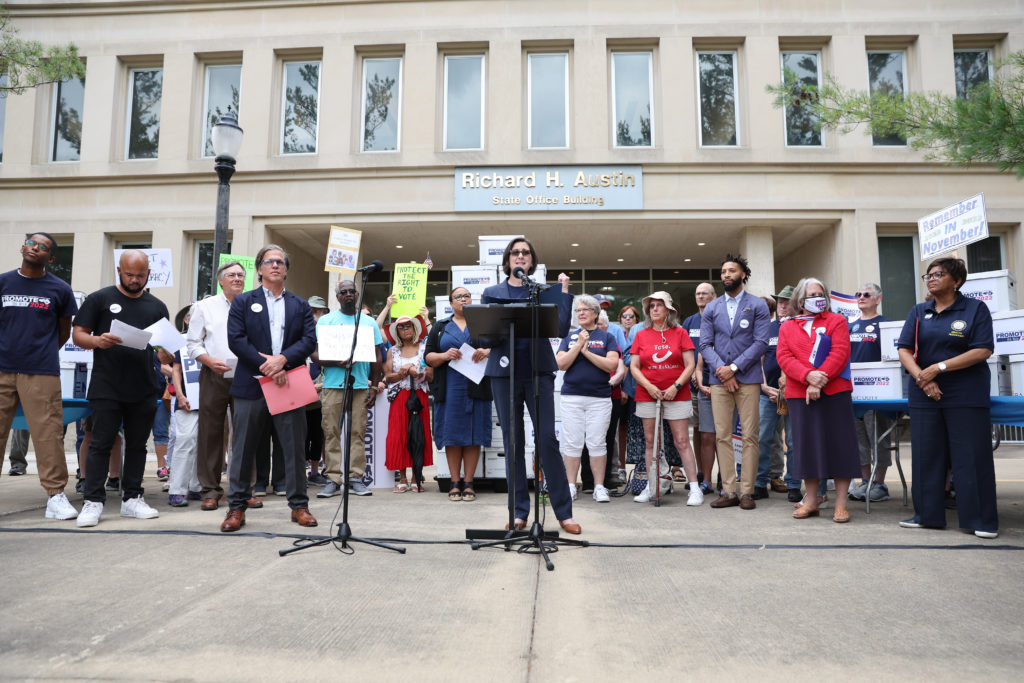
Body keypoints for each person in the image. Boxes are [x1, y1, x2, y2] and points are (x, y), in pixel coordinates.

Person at [482, 237, 581, 534]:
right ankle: (518, 512)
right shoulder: (492, 292)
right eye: (516, 252)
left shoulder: (543, 291)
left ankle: (563, 512)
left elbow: (562, 327)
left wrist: (563, 291)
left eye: (526, 253)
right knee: (514, 442)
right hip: (504, 374)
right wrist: (494, 329)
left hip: (538, 372)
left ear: (532, 260)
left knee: (547, 441)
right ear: (508, 260)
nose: (521, 256)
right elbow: (483, 337)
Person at [896, 257, 998, 538]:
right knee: (926, 454)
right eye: (928, 275)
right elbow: (904, 349)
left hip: (966, 392)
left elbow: (982, 349)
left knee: (970, 457)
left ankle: (980, 520)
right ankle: (927, 515)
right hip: (924, 392)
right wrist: (922, 377)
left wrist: (939, 368)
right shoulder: (919, 311)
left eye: (938, 274)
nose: (931, 278)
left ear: (957, 281)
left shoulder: (975, 309)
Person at [220, 244, 318, 532]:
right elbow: (236, 340)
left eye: (280, 261)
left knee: (293, 448)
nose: (275, 265)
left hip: (288, 383)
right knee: (242, 449)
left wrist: (283, 360)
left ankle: (299, 506)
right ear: (260, 268)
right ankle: (236, 508)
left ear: (286, 269)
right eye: (269, 261)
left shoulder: (299, 305)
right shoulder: (242, 301)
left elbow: (308, 341)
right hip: (252, 384)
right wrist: (267, 365)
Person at [73, 249, 169, 527]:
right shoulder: (100, 299)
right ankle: (92, 501)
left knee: (138, 445)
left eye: (140, 276)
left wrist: (167, 353)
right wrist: (97, 341)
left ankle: (132, 499)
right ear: (119, 271)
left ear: (148, 274)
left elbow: (163, 345)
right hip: (107, 385)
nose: (135, 280)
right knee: (100, 443)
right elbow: (78, 335)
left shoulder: (157, 306)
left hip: (144, 386)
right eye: (130, 275)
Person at [0, 233, 79, 520]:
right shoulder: (3, 282)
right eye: (32, 243)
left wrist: (38, 353)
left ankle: (55, 496)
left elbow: (63, 332)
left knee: (48, 434)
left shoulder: (59, 289)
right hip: (2, 367)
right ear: (22, 247)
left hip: (41, 370)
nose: (36, 248)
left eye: (43, 247)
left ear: (51, 257)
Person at [776, 277, 859, 522]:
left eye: (820, 293)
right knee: (806, 446)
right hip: (800, 394)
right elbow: (784, 356)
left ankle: (841, 504)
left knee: (840, 446)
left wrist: (819, 380)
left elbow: (840, 352)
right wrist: (807, 377)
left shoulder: (836, 321)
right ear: (800, 301)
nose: (817, 298)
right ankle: (811, 500)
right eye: (812, 295)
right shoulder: (787, 326)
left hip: (835, 391)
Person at [699, 254, 770, 510]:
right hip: (718, 380)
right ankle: (729, 491)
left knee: (750, 436)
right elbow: (705, 344)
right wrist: (722, 370)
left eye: (732, 271)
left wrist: (734, 368)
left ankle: (747, 492)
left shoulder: (757, 305)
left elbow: (761, 342)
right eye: (723, 272)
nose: (726, 275)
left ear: (743, 274)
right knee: (722, 435)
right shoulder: (712, 308)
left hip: (748, 379)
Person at [629, 291, 702, 505]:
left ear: (669, 310)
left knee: (681, 441)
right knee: (650, 442)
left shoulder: (680, 333)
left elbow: (690, 365)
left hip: (677, 394)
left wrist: (676, 386)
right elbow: (634, 366)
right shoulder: (641, 335)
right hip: (647, 394)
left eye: (659, 305)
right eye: (651, 306)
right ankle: (652, 486)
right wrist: (650, 386)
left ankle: (694, 488)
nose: (654, 309)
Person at [186, 260, 246, 511]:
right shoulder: (204, 307)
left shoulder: (252, 305)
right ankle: (210, 490)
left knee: (245, 434)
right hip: (214, 374)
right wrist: (208, 361)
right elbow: (192, 343)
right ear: (221, 280)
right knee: (211, 433)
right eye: (231, 275)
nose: (237, 279)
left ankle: (244, 490)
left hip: (245, 374)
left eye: (241, 275)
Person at [315, 279, 383, 498]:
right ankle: (333, 479)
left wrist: (374, 384)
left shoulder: (368, 322)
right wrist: (336, 362)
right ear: (337, 297)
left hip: (361, 384)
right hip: (333, 384)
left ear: (357, 294)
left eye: (351, 291)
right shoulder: (326, 321)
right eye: (343, 292)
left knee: (357, 433)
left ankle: (355, 478)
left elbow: (377, 356)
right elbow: (314, 354)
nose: (348, 295)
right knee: (331, 432)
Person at [424, 286, 492, 502]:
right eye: (459, 296)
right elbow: (428, 358)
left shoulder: (482, 323)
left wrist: (487, 351)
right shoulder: (440, 326)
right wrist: (444, 355)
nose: (464, 299)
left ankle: (469, 483)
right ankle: (455, 482)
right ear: (451, 303)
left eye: (467, 296)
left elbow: (500, 347)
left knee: (474, 435)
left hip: (477, 385)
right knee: (453, 435)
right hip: (450, 387)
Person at [556, 295, 620, 503]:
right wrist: (578, 346)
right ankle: (570, 486)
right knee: (573, 443)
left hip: (599, 398)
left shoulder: (607, 337)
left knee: (597, 443)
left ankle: (599, 487)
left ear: (595, 313)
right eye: (578, 310)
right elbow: (561, 364)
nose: (581, 313)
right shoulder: (569, 337)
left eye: (585, 310)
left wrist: (586, 352)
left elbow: (612, 366)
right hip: (572, 397)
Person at [847, 283, 893, 503]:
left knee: (878, 438)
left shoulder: (885, 325)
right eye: (858, 294)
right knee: (859, 440)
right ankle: (865, 482)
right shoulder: (850, 326)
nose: (861, 297)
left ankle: (880, 485)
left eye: (867, 294)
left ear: (878, 299)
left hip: (878, 390)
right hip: (854, 392)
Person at [383, 315, 433, 491]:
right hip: (399, 397)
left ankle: (416, 478)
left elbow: (431, 374)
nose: (406, 330)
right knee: (399, 435)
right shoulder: (393, 351)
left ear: (415, 328)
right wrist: (404, 373)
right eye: (401, 327)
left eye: (408, 326)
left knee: (418, 436)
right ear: (397, 331)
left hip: (419, 396)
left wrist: (414, 370)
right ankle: (402, 478)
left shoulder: (424, 348)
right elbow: (388, 376)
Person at [754, 289, 794, 500]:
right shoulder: (767, 328)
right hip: (766, 392)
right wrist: (762, 385)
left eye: (787, 302)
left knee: (793, 441)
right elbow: (758, 360)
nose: (782, 306)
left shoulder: (799, 327)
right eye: (780, 302)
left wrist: (788, 387)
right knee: (762, 438)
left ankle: (793, 483)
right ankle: (760, 482)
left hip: (793, 393)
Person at [682, 282, 717, 494]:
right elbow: (684, 348)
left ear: (713, 297)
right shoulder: (690, 321)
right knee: (697, 430)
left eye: (704, 293)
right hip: (691, 384)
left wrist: (701, 373)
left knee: (712, 434)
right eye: (698, 293)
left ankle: (716, 478)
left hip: (713, 382)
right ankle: (701, 474)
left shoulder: (718, 319)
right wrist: (692, 373)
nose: (700, 296)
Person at [305, 295, 330, 486]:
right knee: (300, 434)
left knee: (318, 432)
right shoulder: (298, 332)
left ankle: (314, 471)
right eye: (312, 311)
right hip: (299, 389)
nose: (315, 315)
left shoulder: (327, 334)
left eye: (319, 311)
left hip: (321, 392)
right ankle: (299, 471)